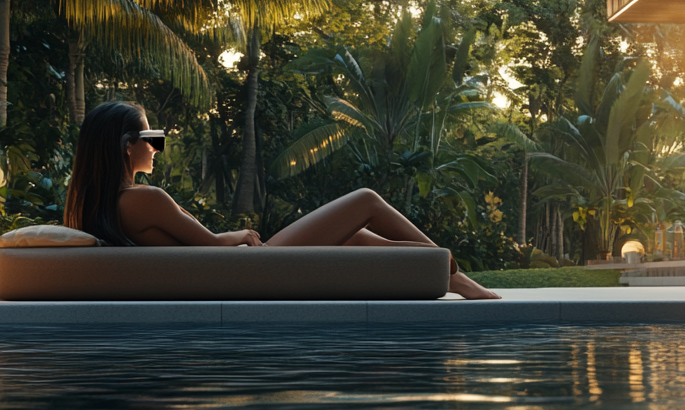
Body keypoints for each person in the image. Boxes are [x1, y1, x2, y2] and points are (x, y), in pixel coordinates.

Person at [63, 101, 501, 300]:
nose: (158, 147)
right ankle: (451, 274)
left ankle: (445, 273)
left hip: (235, 273)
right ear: (126, 146)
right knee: (365, 199)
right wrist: (242, 233)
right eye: (152, 138)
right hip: (243, 274)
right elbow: (214, 246)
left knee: (354, 235)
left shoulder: (110, 204)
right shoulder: (144, 199)